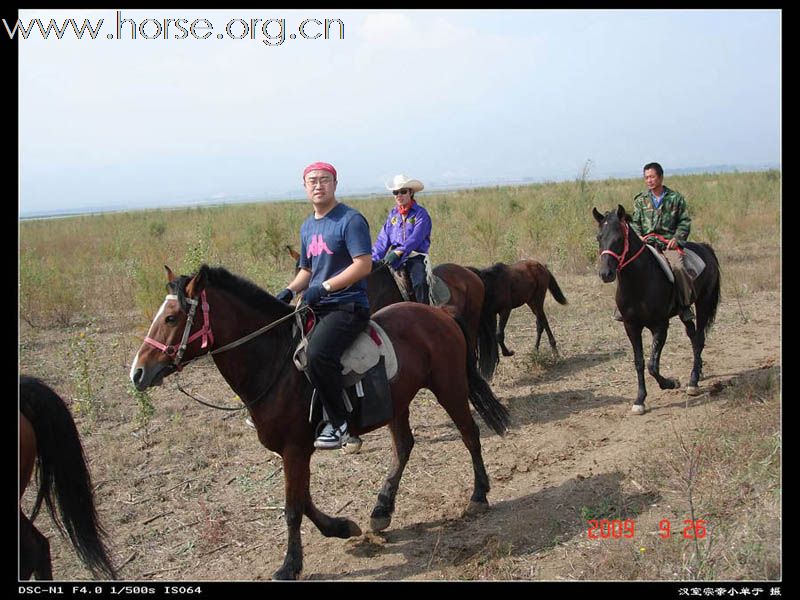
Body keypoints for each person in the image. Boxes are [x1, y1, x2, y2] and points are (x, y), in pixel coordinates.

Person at [274, 162, 372, 449]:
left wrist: (326, 287)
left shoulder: (350, 220)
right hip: (316, 305)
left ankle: (341, 424)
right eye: (313, 181)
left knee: (317, 355)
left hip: (347, 305)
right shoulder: (308, 226)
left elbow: (363, 264)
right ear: (305, 186)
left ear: (335, 184)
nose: (319, 185)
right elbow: (307, 269)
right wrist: (289, 291)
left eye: (325, 180)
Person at [615, 162, 694, 323]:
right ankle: (622, 306)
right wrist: (638, 236)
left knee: (678, 268)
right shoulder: (640, 200)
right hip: (646, 244)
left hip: (667, 245)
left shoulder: (675, 198)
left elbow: (684, 221)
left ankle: (684, 305)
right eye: (646, 177)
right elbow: (635, 222)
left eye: (652, 177)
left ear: (660, 177)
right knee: (623, 266)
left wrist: (676, 239)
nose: (649, 180)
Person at [371, 174, 432, 304]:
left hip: (414, 257)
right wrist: (372, 260)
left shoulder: (421, 214)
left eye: (403, 191)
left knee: (419, 282)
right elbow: (383, 240)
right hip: (392, 259)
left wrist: (399, 252)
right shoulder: (393, 215)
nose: (399, 195)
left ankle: (426, 312)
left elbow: (416, 238)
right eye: (395, 192)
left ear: (411, 192)